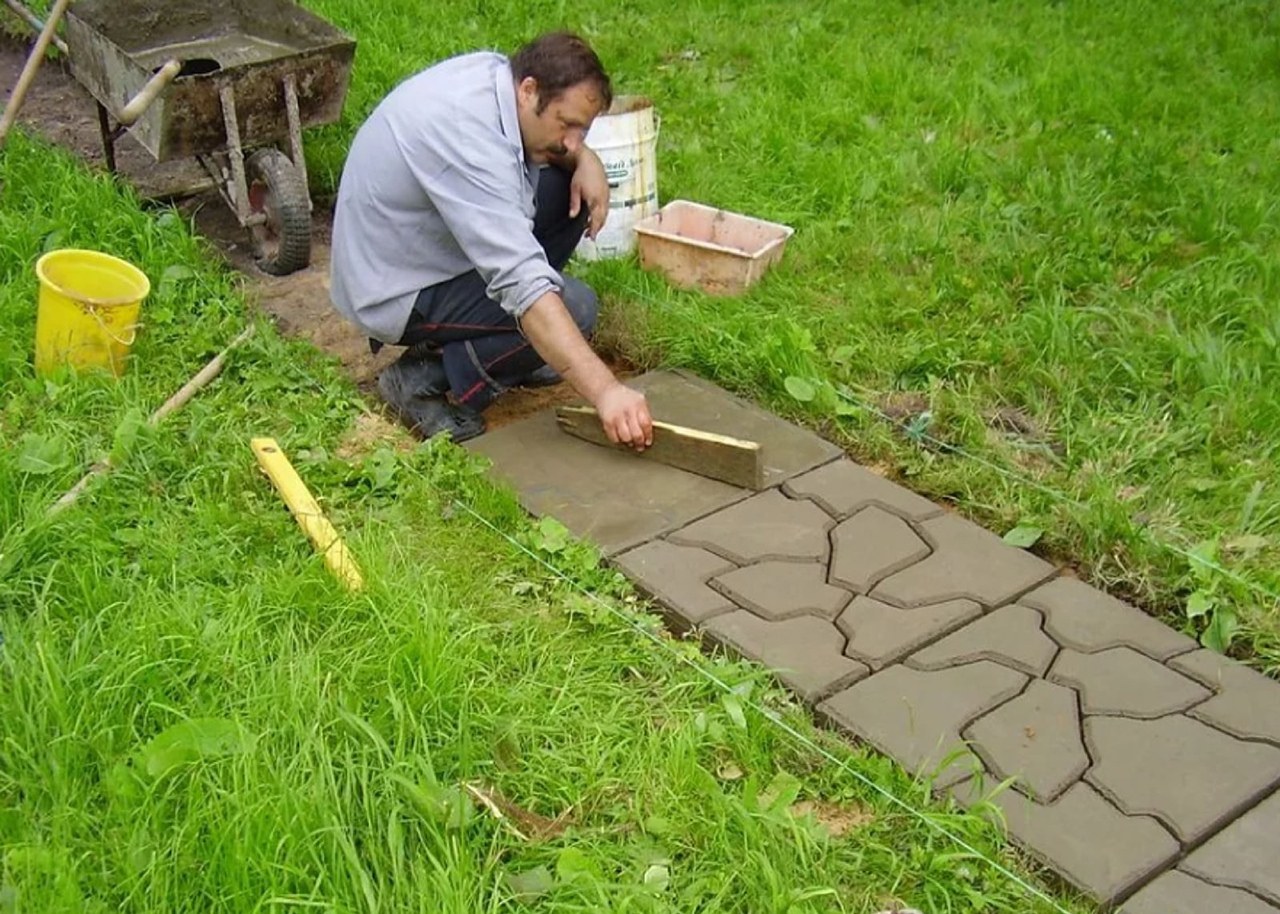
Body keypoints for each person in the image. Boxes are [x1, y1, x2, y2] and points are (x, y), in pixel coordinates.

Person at [329, 32, 653, 450]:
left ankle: (501, 346)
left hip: (424, 246)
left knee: (567, 189)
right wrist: (607, 392)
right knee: (575, 309)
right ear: (530, 90)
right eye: (567, 125)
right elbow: (521, 282)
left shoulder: (500, 83)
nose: (573, 141)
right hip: (393, 286)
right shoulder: (466, 136)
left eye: (583, 129)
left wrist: (585, 160)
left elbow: (561, 153)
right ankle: (419, 379)